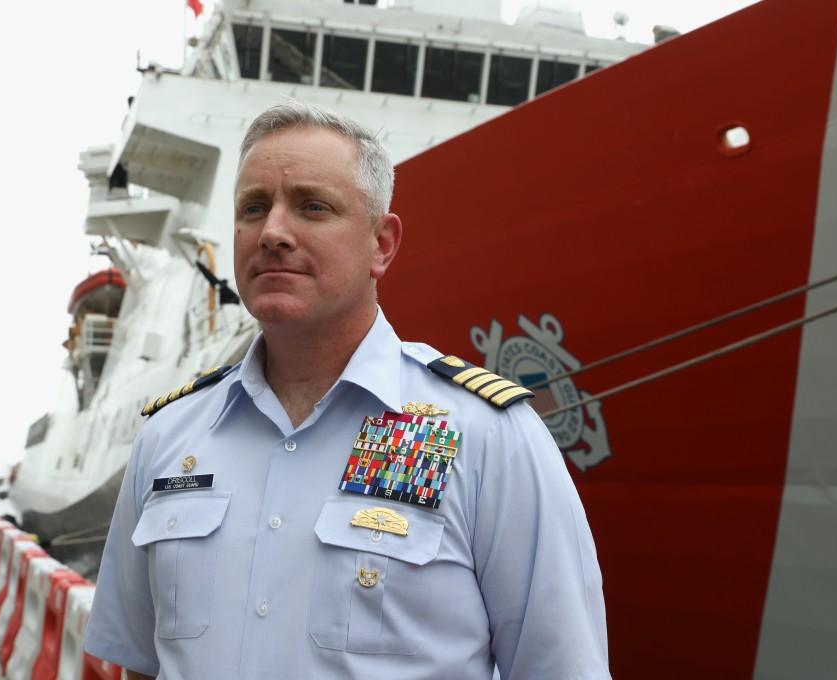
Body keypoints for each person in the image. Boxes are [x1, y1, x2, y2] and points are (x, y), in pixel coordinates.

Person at [83, 99, 610, 679]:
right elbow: (141, 661)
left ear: (381, 245)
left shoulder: (486, 436)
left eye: (312, 207)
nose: (273, 233)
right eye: (253, 208)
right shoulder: (167, 437)